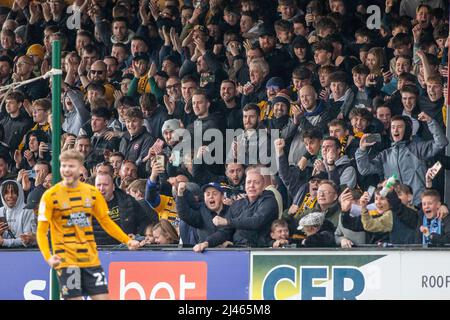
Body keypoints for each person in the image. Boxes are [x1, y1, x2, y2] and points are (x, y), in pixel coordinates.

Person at [36, 149, 140, 300]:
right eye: (64, 166)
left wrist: (127, 240)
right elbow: (41, 231)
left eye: (71, 166)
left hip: (90, 258)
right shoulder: (50, 196)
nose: (66, 170)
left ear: (79, 169)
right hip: (67, 259)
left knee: (104, 297)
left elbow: (106, 222)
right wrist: (48, 256)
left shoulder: (92, 193)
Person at [356, 113, 448, 205]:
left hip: (418, 204)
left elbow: (441, 143)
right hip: (395, 207)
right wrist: (362, 149)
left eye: (399, 127)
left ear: (406, 130)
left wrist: (430, 122)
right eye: (393, 127)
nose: (395, 130)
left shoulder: (417, 148)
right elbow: (364, 170)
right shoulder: (385, 155)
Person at [94, 172, 154, 245]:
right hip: (98, 251)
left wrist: (139, 237)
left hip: (125, 250)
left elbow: (145, 222)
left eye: (105, 185)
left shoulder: (128, 201)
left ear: (113, 187)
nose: (101, 188)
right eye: (98, 185)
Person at [0, 180, 36, 247]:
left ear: (19, 194)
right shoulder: (1, 211)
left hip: (23, 253)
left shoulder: (27, 210)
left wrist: (4, 242)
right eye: (6, 193)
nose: (10, 196)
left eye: (13, 192)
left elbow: (27, 238)